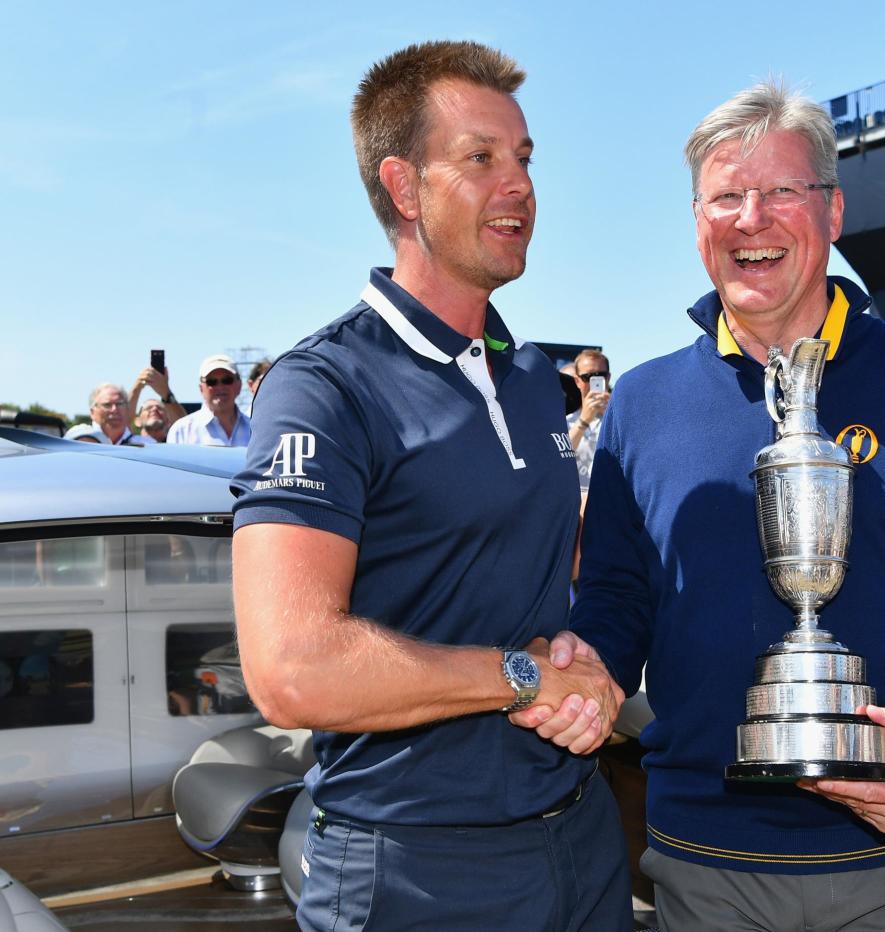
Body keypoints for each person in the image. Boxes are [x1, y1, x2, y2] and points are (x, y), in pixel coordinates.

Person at [514, 81, 885, 931]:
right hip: (704, 869)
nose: (752, 219)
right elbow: (619, 603)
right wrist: (579, 674)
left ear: (834, 211)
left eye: (781, 191)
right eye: (726, 197)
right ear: (697, 220)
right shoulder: (644, 402)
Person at [229, 40, 630, 931]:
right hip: (415, 872)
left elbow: (540, 574)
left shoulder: (532, 377)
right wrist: (522, 678)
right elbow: (291, 669)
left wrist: (581, 662)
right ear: (404, 188)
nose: (519, 184)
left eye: (524, 159)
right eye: (481, 158)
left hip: (580, 842)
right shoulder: (322, 387)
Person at [166, 355, 252, 447]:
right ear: (201, 388)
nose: (220, 387)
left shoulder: (256, 429)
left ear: (239, 385)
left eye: (227, 380)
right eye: (212, 382)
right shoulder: (182, 430)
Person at [565, 348, 611, 491]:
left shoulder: (619, 419)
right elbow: (559, 457)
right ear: (577, 381)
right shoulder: (565, 421)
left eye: (600, 375)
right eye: (587, 377)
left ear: (608, 377)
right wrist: (584, 420)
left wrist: (611, 415)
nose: (593, 382)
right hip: (575, 501)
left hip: (609, 499)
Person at [84, 383, 150, 445]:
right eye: (107, 405)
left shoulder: (147, 445)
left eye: (119, 404)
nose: (114, 409)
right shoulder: (79, 441)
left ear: (127, 409)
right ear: (92, 412)